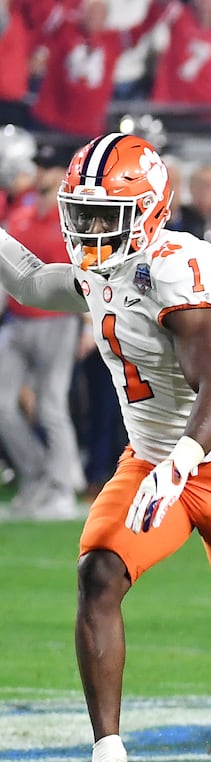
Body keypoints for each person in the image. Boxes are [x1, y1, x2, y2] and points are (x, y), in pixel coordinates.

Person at [0, 131, 211, 762]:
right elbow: (28, 280)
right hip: (148, 458)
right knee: (98, 573)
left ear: (149, 210)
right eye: (77, 214)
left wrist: (185, 462)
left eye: (100, 216)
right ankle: (108, 760)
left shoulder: (178, 269)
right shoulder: (102, 270)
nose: (85, 231)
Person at [0, 142, 84, 519]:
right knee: (2, 405)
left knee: (51, 406)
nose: (42, 172)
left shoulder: (74, 216)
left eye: (50, 166)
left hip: (58, 320)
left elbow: (85, 275)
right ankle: (35, 478)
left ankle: (62, 487)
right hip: (17, 320)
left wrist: (88, 325)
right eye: (39, 165)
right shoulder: (21, 210)